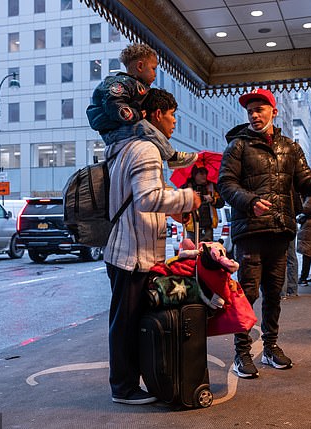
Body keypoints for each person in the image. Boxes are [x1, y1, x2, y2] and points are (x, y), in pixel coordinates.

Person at [217, 88, 311, 378]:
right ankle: (241, 352)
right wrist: (250, 201)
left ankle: (270, 347)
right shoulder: (237, 146)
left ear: (273, 112)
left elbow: (304, 181)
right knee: (248, 293)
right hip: (250, 231)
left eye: (260, 109)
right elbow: (225, 184)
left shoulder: (290, 147)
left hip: (280, 228)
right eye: (250, 110)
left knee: (274, 293)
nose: (254, 114)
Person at [103, 88, 201, 404]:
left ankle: (134, 382)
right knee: (126, 324)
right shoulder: (145, 149)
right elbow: (147, 199)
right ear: (157, 115)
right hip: (132, 254)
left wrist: (173, 207)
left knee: (128, 322)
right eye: (173, 116)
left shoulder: (124, 148)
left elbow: (139, 198)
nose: (174, 123)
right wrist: (188, 197)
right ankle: (124, 387)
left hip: (128, 249)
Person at [86, 42, 196, 169]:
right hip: (113, 132)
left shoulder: (132, 85)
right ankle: (171, 156)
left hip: (115, 131)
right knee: (142, 126)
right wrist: (137, 115)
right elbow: (116, 106)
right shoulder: (121, 85)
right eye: (153, 68)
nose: (155, 74)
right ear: (140, 66)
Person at [183, 165, 225, 242]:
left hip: (207, 227)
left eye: (205, 173)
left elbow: (222, 203)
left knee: (206, 251)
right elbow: (180, 204)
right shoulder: (187, 187)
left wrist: (212, 200)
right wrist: (191, 196)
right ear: (195, 175)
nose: (204, 176)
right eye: (201, 173)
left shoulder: (211, 186)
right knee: (191, 251)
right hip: (192, 227)